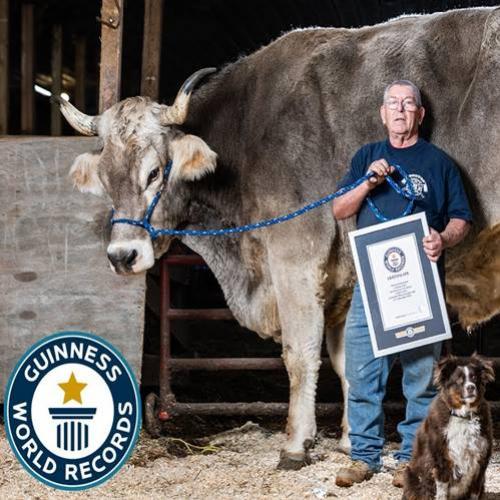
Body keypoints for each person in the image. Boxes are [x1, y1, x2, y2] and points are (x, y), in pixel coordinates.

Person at [332, 80, 472, 488]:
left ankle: (410, 460)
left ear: (420, 115)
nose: (400, 109)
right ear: (382, 113)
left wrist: (442, 238)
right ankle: (363, 457)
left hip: (421, 288)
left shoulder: (439, 163)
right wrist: (368, 182)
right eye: (393, 103)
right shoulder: (367, 157)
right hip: (370, 287)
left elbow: (461, 218)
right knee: (362, 372)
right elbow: (340, 209)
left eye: (409, 103)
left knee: (419, 378)